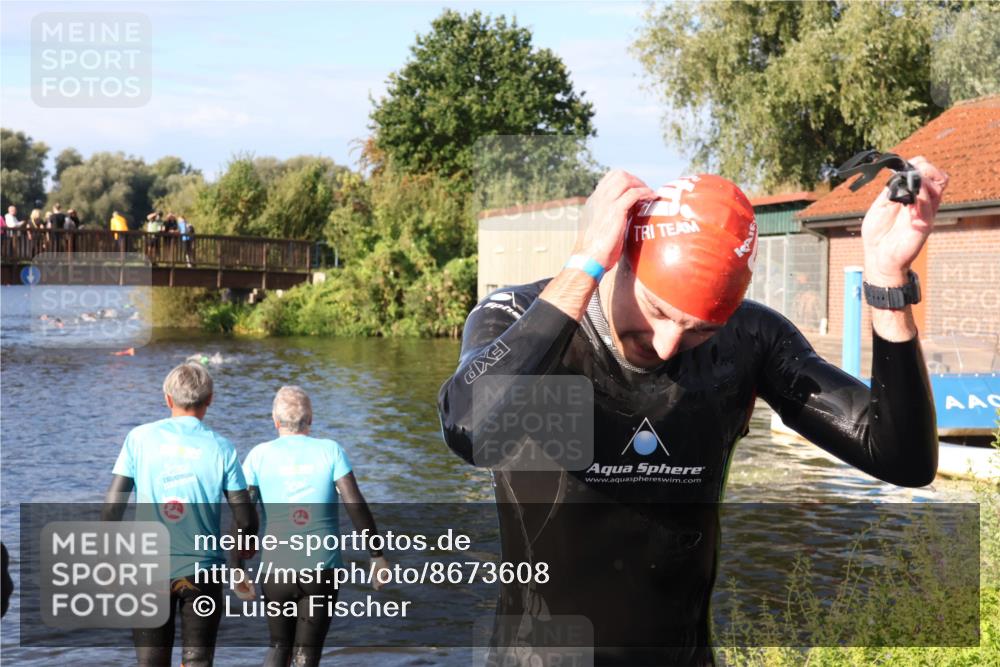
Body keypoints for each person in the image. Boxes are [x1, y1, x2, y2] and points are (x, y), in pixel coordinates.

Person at [437, 162, 947, 665]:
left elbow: (902, 459)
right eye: (657, 310)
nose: (667, 345)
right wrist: (585, 261)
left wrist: (887, 283)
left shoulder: (750, 339)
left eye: (701, 329)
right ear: (621, 259)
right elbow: (469, 430)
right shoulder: (519, 319)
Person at [102, 363, 258, 667]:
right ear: (210, 399)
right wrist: (242, 555)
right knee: (198, 661)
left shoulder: (139, 439)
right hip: (202, 570)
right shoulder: (222, 448)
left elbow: (112, 507)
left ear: (167, 399)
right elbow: (246, 517)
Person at [238, 386, 390, 667]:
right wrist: (376, 555)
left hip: (276, 570)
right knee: (307, 655)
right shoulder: (330, 451)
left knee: (279, 646)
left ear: (275, 421)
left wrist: (237, 567)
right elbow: (355, 504)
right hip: (321, 569)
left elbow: (242, 517)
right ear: (310, 419)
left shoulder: (259, 455)